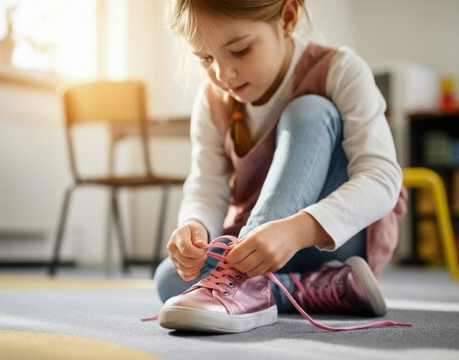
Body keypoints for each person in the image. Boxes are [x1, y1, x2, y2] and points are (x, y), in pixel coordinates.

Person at [154, 0, 406, 333]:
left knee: (311, 111)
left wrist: (297, 229)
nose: (222, 74)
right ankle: (314, 287)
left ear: (287, 17)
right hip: (258, 251)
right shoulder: (211, 99)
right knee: (170, 279)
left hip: (332, 241)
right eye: (205, 58)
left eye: (240, 50)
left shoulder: (339, 69)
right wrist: (195, 225)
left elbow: (382, 178)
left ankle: (248, 283)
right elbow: (208, 185)